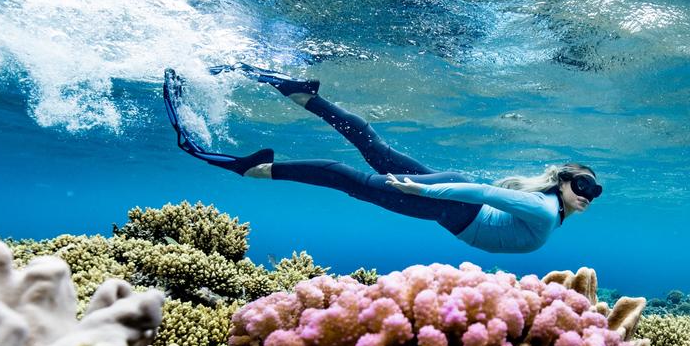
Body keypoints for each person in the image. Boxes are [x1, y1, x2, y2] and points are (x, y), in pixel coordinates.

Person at [162, 64, 602, 254]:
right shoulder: (546, 212)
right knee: (346, 177)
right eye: (582, 185)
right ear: (563, 181)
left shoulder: (548, 210)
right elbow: (483, 192)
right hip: (449, 203)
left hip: (451, 203)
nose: (587, 196)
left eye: (594, 193)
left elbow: (485, 194)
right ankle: (252, 169)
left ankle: (302, 96)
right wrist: (422, 190)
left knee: (374, 149)